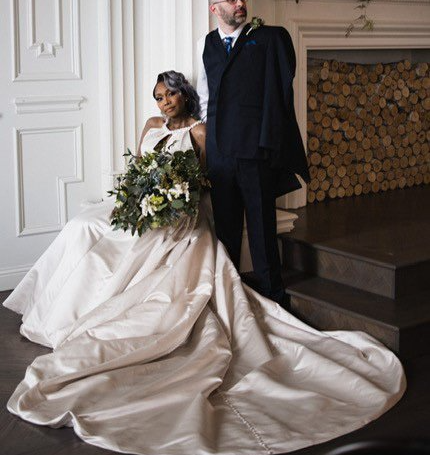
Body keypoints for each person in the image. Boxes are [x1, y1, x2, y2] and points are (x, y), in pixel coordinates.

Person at [3, 71, 405, 455]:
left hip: (180, 213)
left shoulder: (198, 131)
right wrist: (137, 197)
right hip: (144, 206)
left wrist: (176, 196)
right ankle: (71, 308)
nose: (164, 103)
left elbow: (212, 180)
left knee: (141, 253)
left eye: (170, 95)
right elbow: (137, 168)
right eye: (158, 97)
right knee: (83, 226)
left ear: (185, 95)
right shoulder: (151, 125)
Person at [197, 0, 310, 305]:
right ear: (215, 8)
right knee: (226, 230)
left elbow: (280, 81)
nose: (240, 4)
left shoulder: (265, 39)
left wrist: (267, 142)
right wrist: (207, 139)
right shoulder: (207, 43)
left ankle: (273, 294)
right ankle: (230, 294)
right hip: (220, 152)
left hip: (253, 150)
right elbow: (206, 94)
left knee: (261, 226)